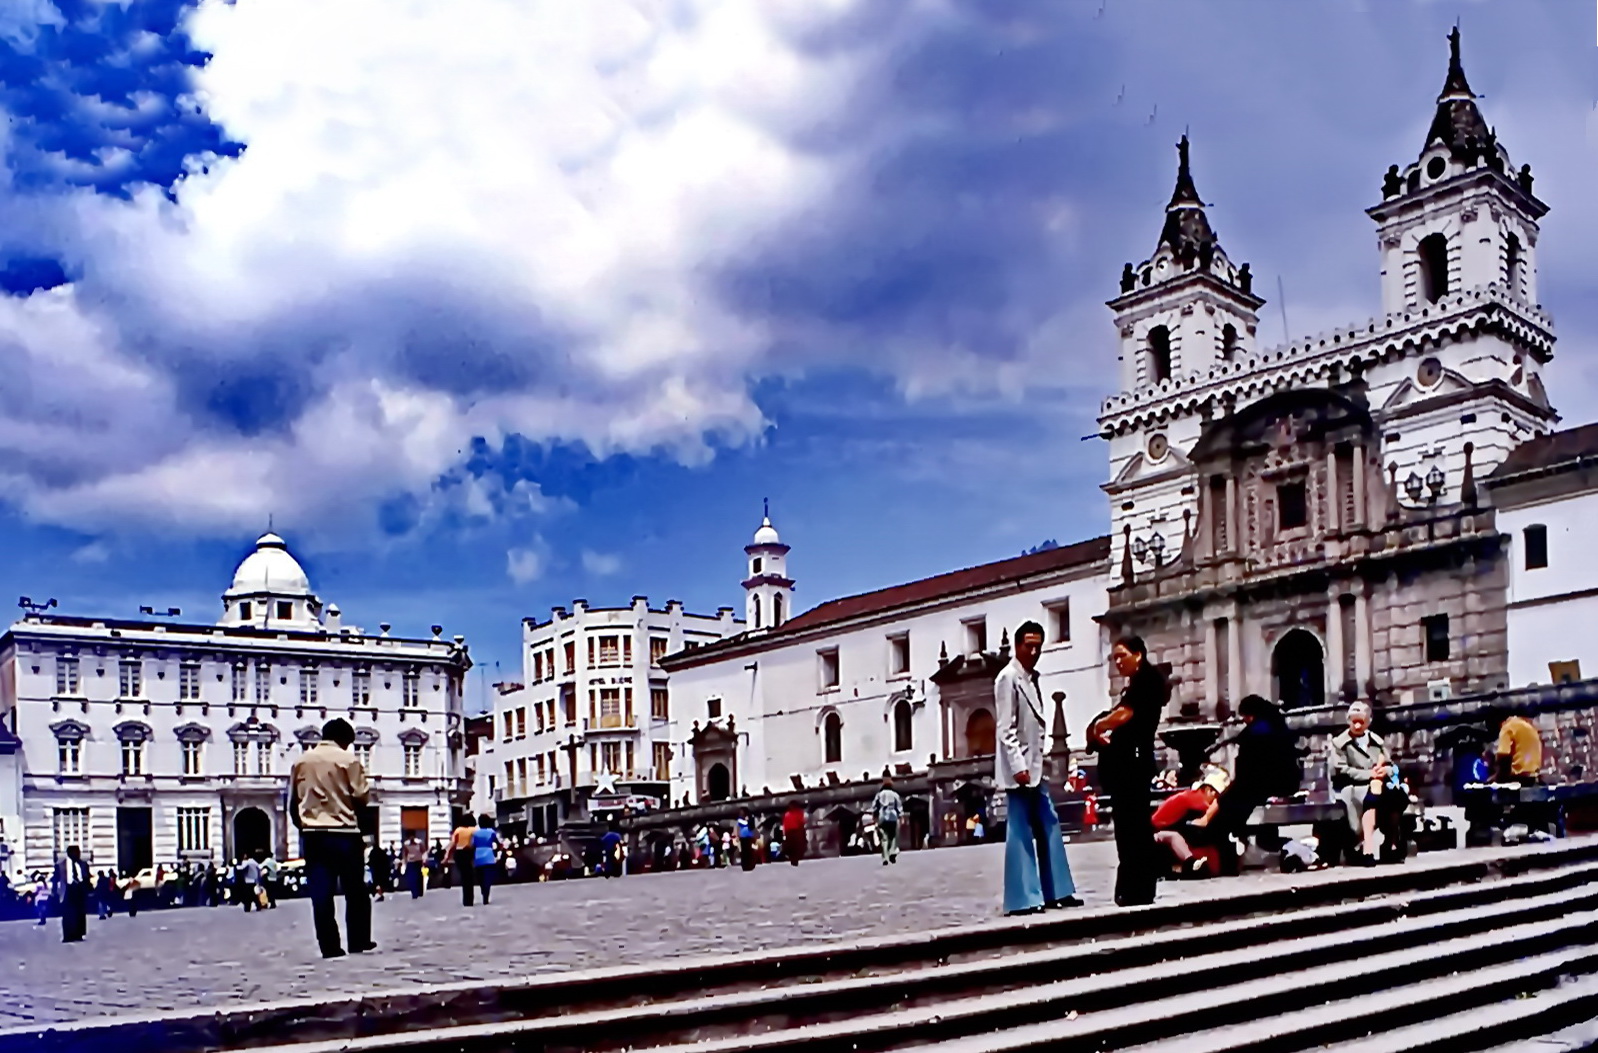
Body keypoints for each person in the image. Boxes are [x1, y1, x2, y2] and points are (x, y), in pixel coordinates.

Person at [995, 620, 1079, 916]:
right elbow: (1005, 729)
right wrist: (1017, 765)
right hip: (1020, 768)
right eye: (1028, 645)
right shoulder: (1008, 678)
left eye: (1038, 647)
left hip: (1034, 766)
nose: (1033, 651)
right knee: (1020, 828)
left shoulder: (1031, 678)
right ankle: (1024, 897)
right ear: (1017, 646)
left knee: (1049, 821)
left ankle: (1057, 889)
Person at [1089, 635, 1168, 907]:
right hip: (1130, 761)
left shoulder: (1147, 682)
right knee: (1130, 826)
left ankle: (1137, 887)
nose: (1118, 662)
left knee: (1132, 826)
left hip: (1133, 763)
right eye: (1115, 657)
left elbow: (1124, 714)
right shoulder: (1140, 683)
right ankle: (1134, 886)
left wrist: (1099, 725)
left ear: (1139, 655)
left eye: (1122, 655)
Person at [289, 717, 374, 959]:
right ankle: (358, 940)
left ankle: (329, 945)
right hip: (344, 832)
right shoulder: (348, 760)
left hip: (314, 834)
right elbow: (361, 797)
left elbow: (293, 801)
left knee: (321, 891)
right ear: (345, 739)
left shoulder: (301, 761)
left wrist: (304, 824)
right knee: (355, 890)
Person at [1211, 695, 1301, 850]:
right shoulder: (1276, 723)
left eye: (1245, 717)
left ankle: (1230, 842)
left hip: (1265, 786)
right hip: (1285, 783)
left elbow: (1249, 771)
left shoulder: (1255, 733)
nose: (1244, 720)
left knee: (1228, 805)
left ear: (1250, 715)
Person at [1327, 702, 1394, 864]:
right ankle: (1367, 848)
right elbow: (1340, 770)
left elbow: (1390, 765)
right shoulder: (1339, 743)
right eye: (1353, 721)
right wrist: (1369, 775)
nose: (1357, 725)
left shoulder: (1376, 741)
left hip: (1377, 784)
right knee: (1369, 796)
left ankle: (1390, 843)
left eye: (1361, 721)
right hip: (1350, 786)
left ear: (1368, 722)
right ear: (1348, 720)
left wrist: (1386, 771)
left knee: (1395, 796)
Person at [1153, 770, 1227, 877]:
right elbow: (1208, 813)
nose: (1215, 799)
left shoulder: (1192, 797)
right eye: (1216, 796)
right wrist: (1217, 804)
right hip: (1156, 833)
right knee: (1174, 837)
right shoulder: (1193, 797)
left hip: (1168, 829)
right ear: (1208, 790)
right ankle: (1191, 864)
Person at [1495, 710, 1545, 783]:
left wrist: (1496, 782)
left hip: (1517, 781)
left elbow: (1504, 759)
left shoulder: (1507, 727)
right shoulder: (1529, 727)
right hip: (1533, 779)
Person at [54, 845, 91, 943]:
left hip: (79, 889)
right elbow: (56, 879)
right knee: (67, 914)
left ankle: (79, 934)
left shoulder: (83, 864)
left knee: (80, 913)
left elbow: (87, 878)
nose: (78, 854)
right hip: (67, 890)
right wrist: (55, 892)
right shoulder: (61, 865)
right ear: (70, 853)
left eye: (79, 852)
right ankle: (68, 935)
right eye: (76, 852)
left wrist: (88, 890)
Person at [444, 817, 479, 905]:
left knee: (464, 876)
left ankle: (466, 900)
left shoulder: (458, 830)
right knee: (469, 876)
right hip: (469, 852)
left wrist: (447, 856)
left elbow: (453, 843)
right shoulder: (473, 830)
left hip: (459, 853)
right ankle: (470, 899)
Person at [872, 777, 904, 866]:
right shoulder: (895, 795)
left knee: (884, 838)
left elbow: (875, 807)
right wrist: (900, 816)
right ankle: (892, 852)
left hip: (883, 817)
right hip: (893, 817)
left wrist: (875, 817)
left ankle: (885, 857)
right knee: (893, 836)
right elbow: (899, 807)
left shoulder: (879, 795)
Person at [470, 814, 502, 904]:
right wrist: (496, 852)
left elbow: (472, 845)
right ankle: (486, 895)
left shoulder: (475, 833)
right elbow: (498, 844)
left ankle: (483, 890)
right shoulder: (491, 832)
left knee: (480, 877)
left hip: (478, 856)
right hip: (489, 855)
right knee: (488, 877)